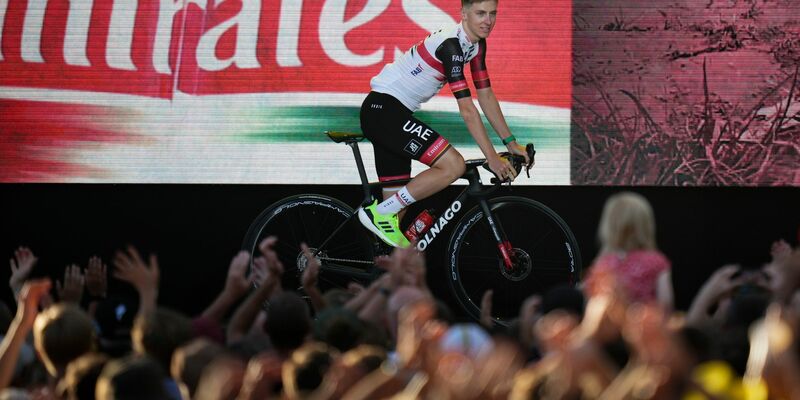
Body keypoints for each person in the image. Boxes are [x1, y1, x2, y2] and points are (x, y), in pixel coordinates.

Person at [357, 0, 530, 248]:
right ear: (464, 14)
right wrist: (491, 157)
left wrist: (511, 143)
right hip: (384, 111)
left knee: (393, 221)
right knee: (453, 165)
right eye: (480, 13)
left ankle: (380, 274)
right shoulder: (451, 46)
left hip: (390, 113)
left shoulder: (476, 45)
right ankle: (379, 213)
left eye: (493, 14)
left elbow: (486, 95)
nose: (488, 21)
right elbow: (468, 110)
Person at [585, 191, 674, 309]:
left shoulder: (603, 262)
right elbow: (666, 303)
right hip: (644, 325)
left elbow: (590, 302)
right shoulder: (657, 261)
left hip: (611, 324)